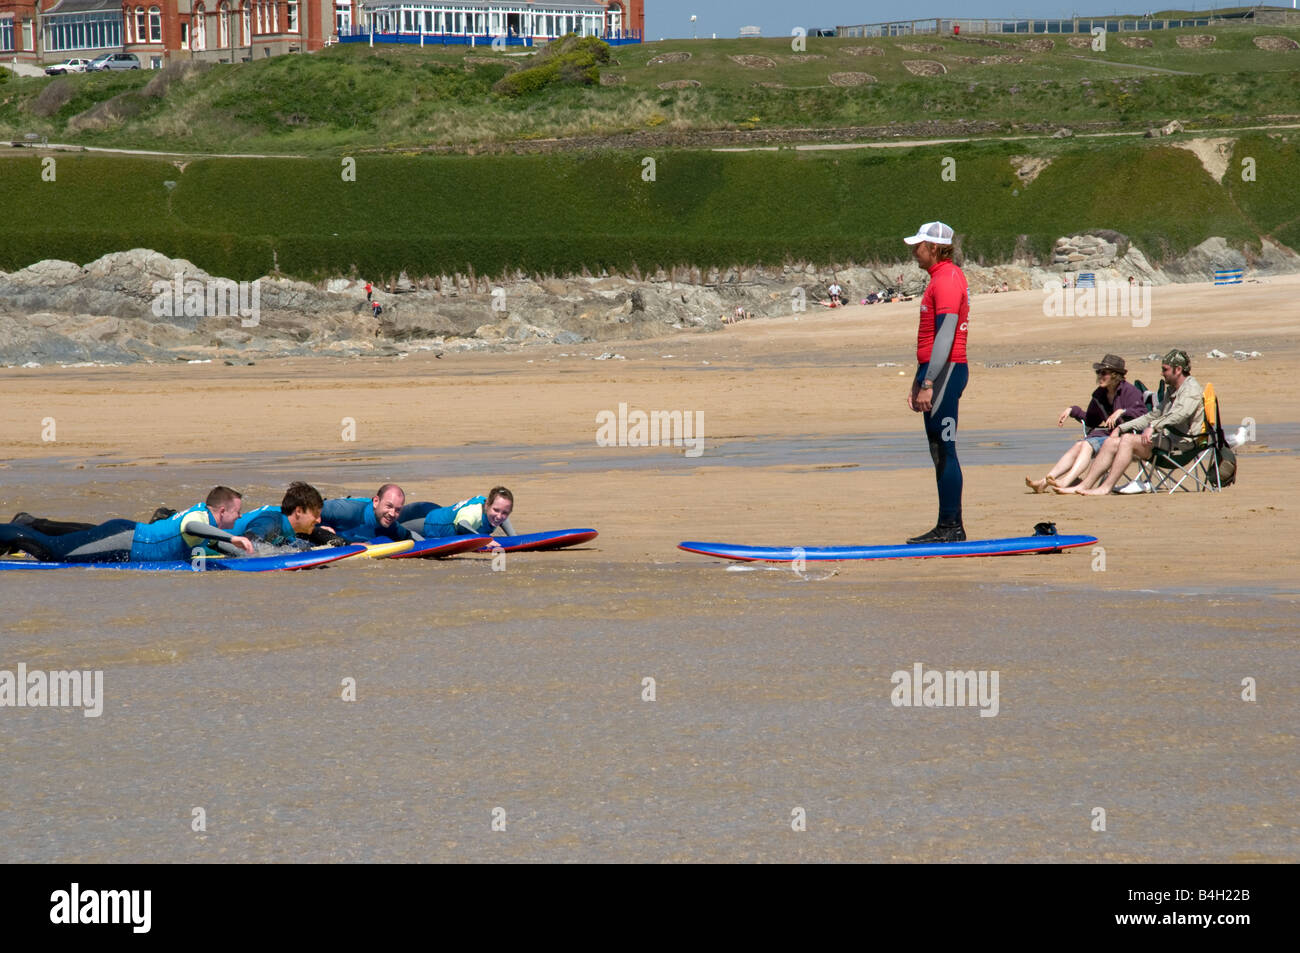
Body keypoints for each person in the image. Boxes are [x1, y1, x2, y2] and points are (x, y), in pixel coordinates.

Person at [1055, 349, 1204, 496]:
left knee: (1127, 440)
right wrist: (1121, 427)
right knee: (1111, 441)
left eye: (1165, 369)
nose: (1162, 373)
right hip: (1165, 440)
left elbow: (1179, 415)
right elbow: (1152, 415)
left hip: (1182, 445)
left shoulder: (1191, 389)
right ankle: (1083, 486)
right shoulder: (1172, 389)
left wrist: (1153, 426)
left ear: (1178, 370)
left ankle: (1105, 488)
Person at [903, 221, 970, 543]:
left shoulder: (947, 279)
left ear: (933, 247)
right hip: (935, 371)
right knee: (938, 448)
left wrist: (929, 380)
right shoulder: (940, 278)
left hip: (946, 371)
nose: (913, 251)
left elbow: (945, 334)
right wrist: (919, 380)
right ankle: (948, 524)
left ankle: (951, 527)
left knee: (946, 449)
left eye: (918, 246)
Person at [0, 486, 254, 563]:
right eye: (237, 512)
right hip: (123, 539)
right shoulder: (199, 519)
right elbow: (191, 529)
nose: (240, 518)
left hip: (123, 535)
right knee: (52, 552)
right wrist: (232, 537)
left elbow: (215, 546)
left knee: (56, 546)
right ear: (222, 511)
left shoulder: (206, 518)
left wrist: (256, 558)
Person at [1026, 354, 1145, 492]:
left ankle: (1066, 481)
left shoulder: (1129, 391)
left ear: (1115, 375)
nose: (1100, 376)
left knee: (1088, 444)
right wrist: (1073, 410)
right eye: (1098, 372)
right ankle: (1044, 482)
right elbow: (1091, 420)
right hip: (1109, 437)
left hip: (1127, 439)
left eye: (1104, 373)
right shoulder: (1100, 394)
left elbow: (1143, 414)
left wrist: (1123, 411)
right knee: (1080, 444)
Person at [231, 482, 344, 549]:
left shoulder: (287, 529)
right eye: (316, 515)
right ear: (298, 511)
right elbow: (250, 540)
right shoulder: (272, 520)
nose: (319, 520)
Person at [399, 486, 515, 551]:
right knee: (398, 529)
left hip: (440, 511)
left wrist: (514, 538)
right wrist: (484, 539)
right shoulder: (474, 512)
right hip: (431, 522)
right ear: (487, 504)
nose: (499, 516)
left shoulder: (494, 507)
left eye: (505, 512)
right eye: (496, 510)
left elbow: (502, 517)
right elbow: (462, 524)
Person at [322, 484, 416, 542]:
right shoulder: (345, 510)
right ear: (376, 501)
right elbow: (308, 510)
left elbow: (411, 540)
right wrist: (318, 529)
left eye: (398, 510)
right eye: (389, 506)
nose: (392, 513)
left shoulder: (392, 526)